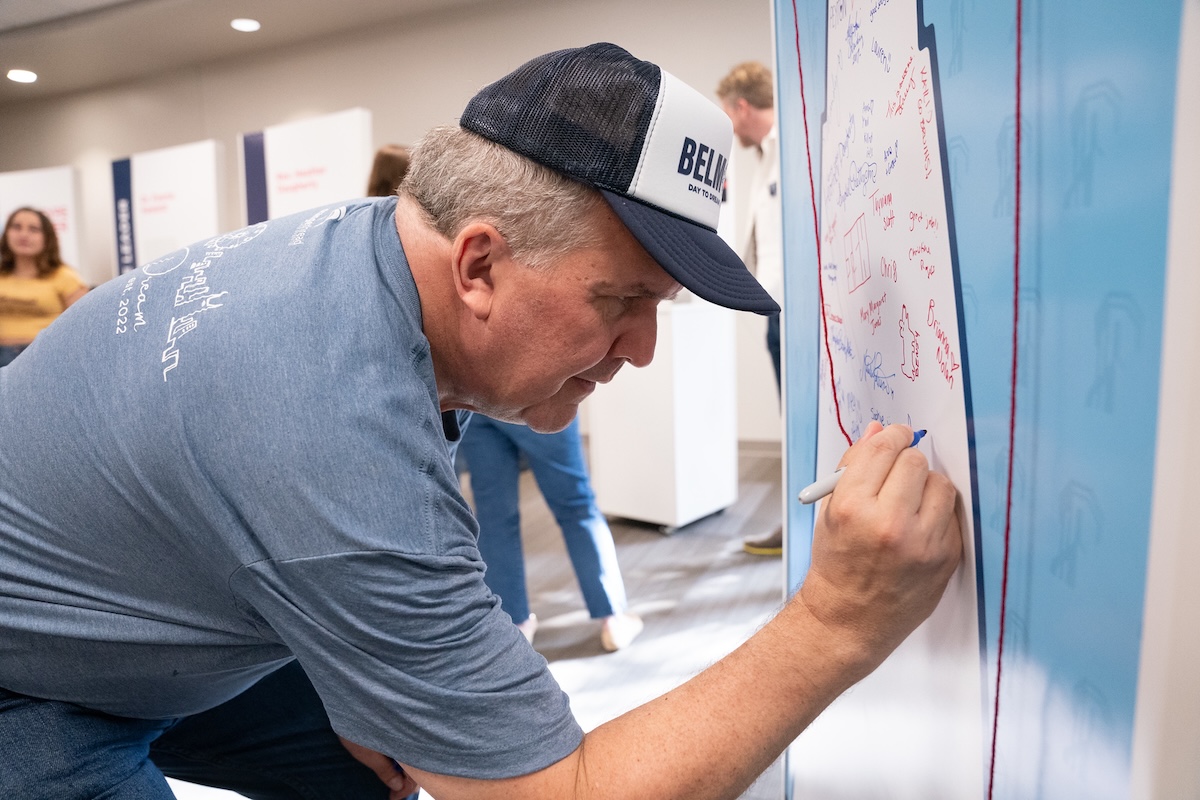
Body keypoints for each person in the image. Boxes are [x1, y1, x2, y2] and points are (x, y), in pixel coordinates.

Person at [0, 43, 961, 800]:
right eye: (621, 300)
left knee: (364, 768)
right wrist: (838, 618)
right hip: (33, 683)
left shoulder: (356, 256)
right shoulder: (335, 433)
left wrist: (365, 669)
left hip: (135, 600)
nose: (640, 351)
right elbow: (556, 795)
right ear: (479, 263)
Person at [459, 413, 644, 651]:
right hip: (536, 394)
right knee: (576, 506)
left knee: (493, 515)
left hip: (477, 404)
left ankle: (514, 623)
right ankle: (613, 618)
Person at [717, 61, 786, 557]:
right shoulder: (765, 157)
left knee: (798, 423)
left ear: (742, 107)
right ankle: (796, 525)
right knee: (791, 422)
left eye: (726, 112)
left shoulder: (793, 150)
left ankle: (802, 533)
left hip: (798, 313)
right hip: (777, 310)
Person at [0, 206, 88, 367]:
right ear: (6, 234)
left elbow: (85, 324)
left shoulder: (64, 276)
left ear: (47, 238)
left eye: (33, 229)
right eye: (16, 227)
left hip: (44, 357)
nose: (23, 235)